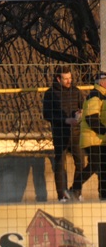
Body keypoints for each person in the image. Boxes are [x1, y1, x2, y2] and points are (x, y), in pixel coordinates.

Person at [42, 65, 86, 201]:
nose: (69, 81)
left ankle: (76, 192)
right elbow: (47, 114)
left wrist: (81, 113)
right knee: (60, 164)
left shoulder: (76, 91)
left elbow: (83, 107)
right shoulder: (50, 94)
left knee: (81, 162)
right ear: (58, 79)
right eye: (66, 79)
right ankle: (62, 195)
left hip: (76, 133)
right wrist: (65, 120)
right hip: (60, 134)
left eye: (70, 78)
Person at [79, 71, 106, 201]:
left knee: (103, 168)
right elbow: (91, 119)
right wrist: (104, 131)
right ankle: (74, 189)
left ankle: (104, 195)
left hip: (100, 139)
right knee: (94, 165)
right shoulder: (95, 95)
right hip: (92, 138)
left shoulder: (102, 96)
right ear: (102, 82)